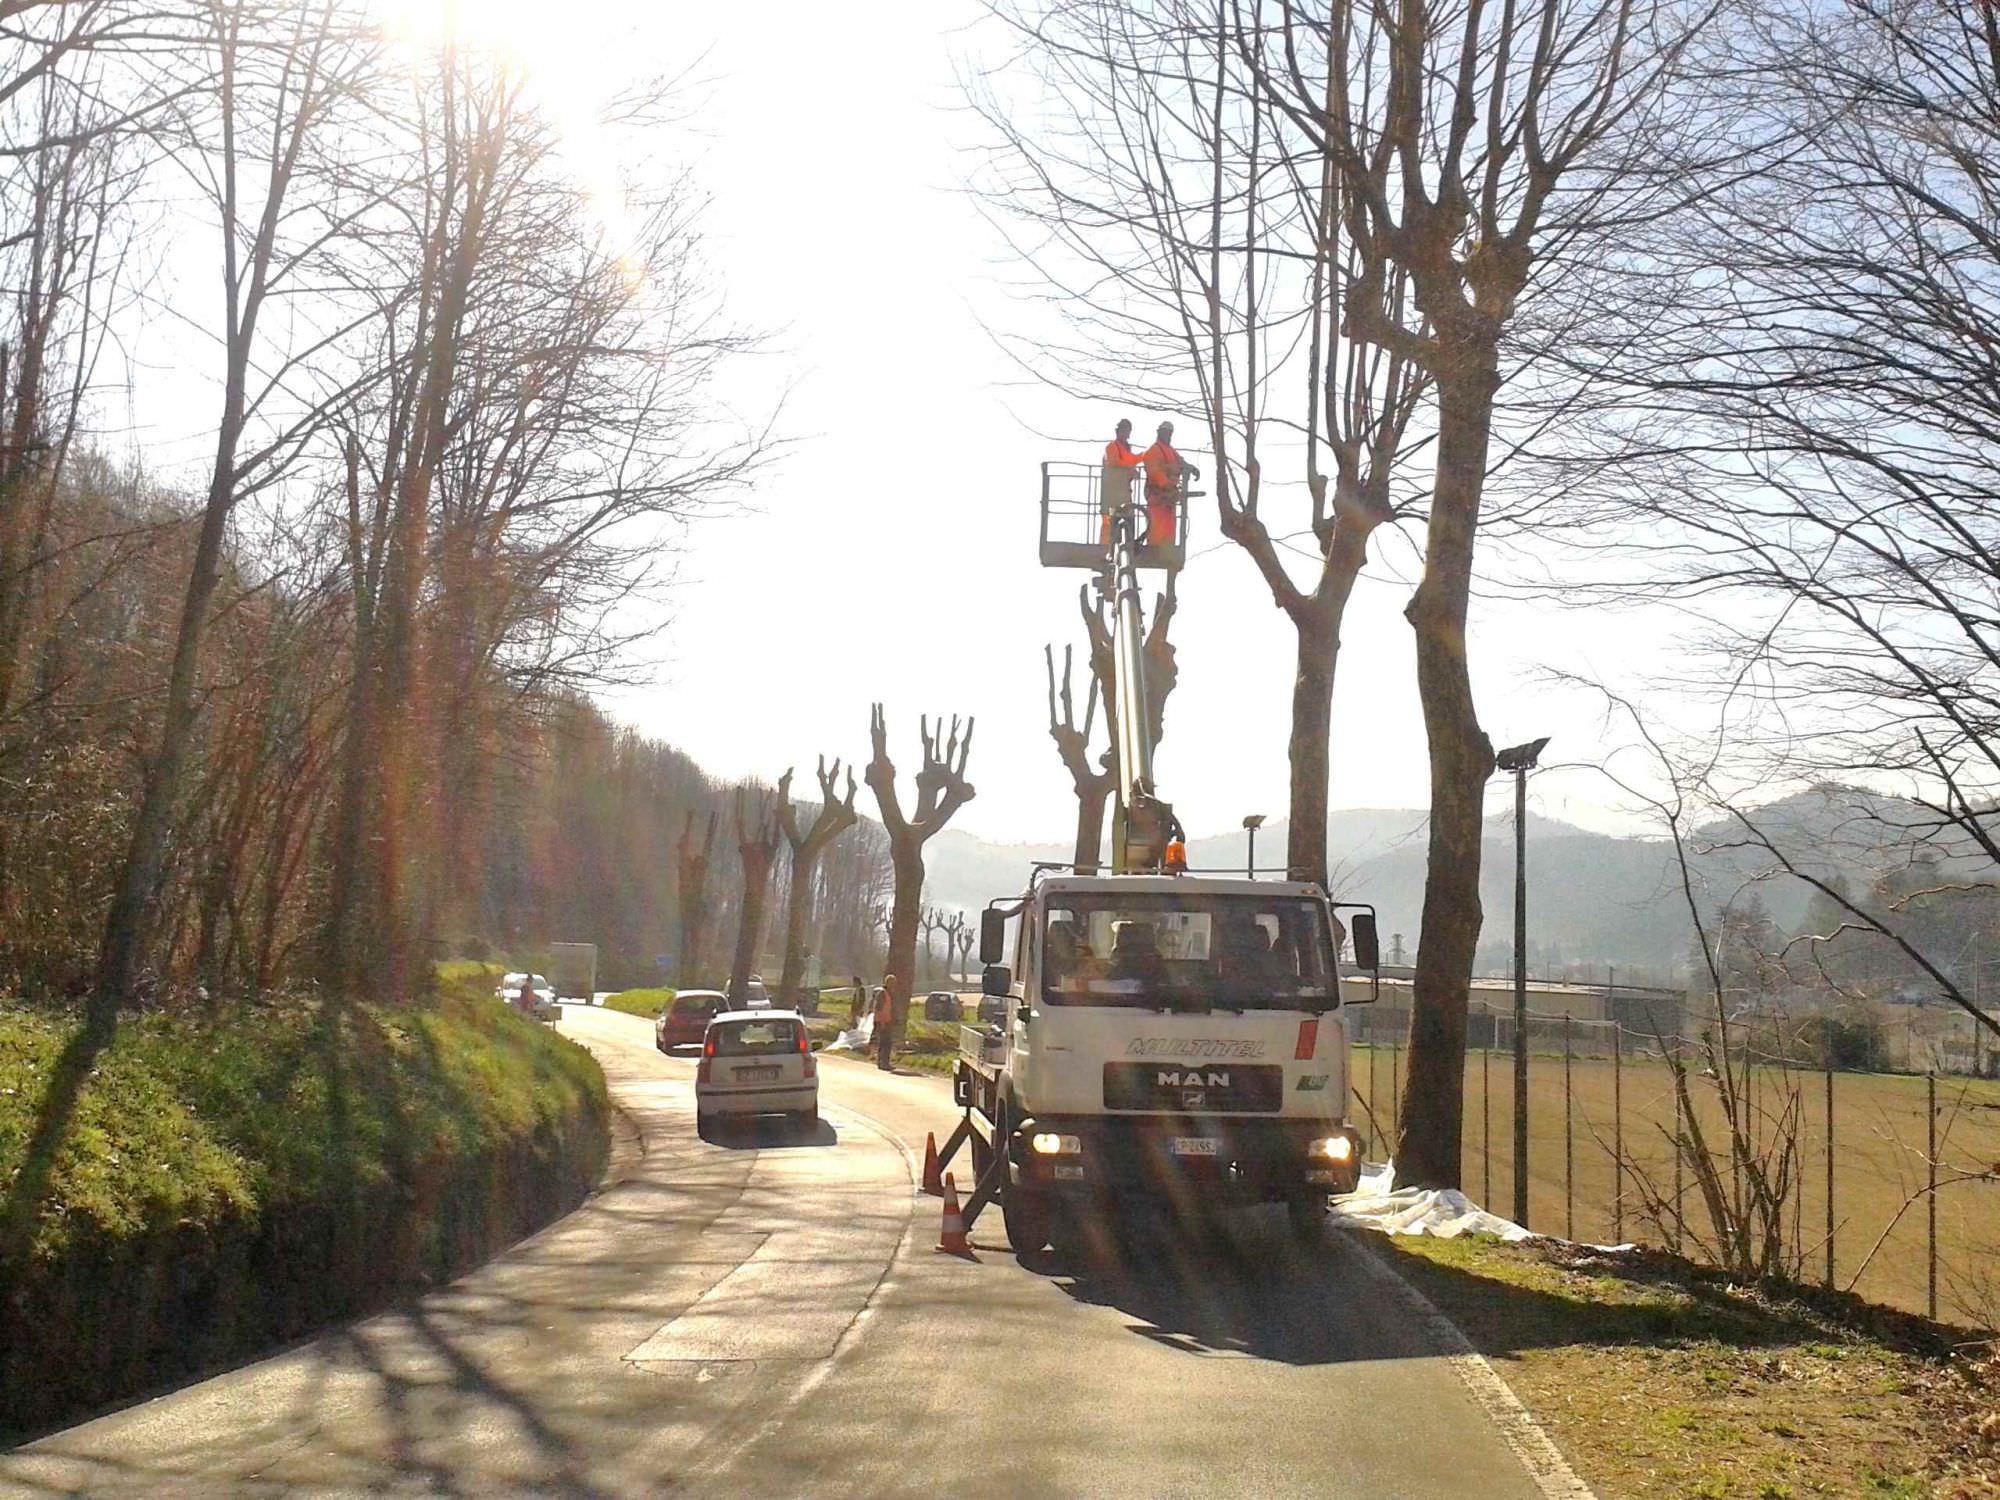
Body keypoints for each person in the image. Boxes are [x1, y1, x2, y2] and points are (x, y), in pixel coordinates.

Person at [1139, 421, 1184, 547]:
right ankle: (1154, 549)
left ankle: (1167, 548)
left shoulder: (1170, 450)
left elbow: (1180, 463)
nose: (1168, 436)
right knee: (1156, 525)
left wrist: (1189, 467)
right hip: (1157, 497)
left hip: (1169, 498)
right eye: (1166, 433)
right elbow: (1155, 472)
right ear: (1159, 433)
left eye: (1170, 433)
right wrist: (1166, 486)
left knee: (1169, 526)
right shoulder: (1153, 451)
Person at [1100, 417, 1144, 546]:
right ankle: (1104, 547)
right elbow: (1115, 462)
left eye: (1126, 430)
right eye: (1122, 430)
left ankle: (1124, 544)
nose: (1125, 433)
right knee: (1109, 522)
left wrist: (1134, 468)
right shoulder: (1112, 446)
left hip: (1123, 492)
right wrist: (1131, 467)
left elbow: (1128, 462)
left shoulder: (1125, 449)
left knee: (1126, 520)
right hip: (1111, 493)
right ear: (1118, 431)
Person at [873, 972, 899, 1070]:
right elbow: (878, 1009)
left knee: (885, 1043)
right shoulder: (883, 994)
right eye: (892, 982)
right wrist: (882, 1022)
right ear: (887, 982)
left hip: (888, 1021)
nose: (894, 984)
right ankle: (883, 1063)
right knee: (885, 1043)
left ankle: (882, 1062)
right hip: (882, 1022)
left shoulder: (890, 994)